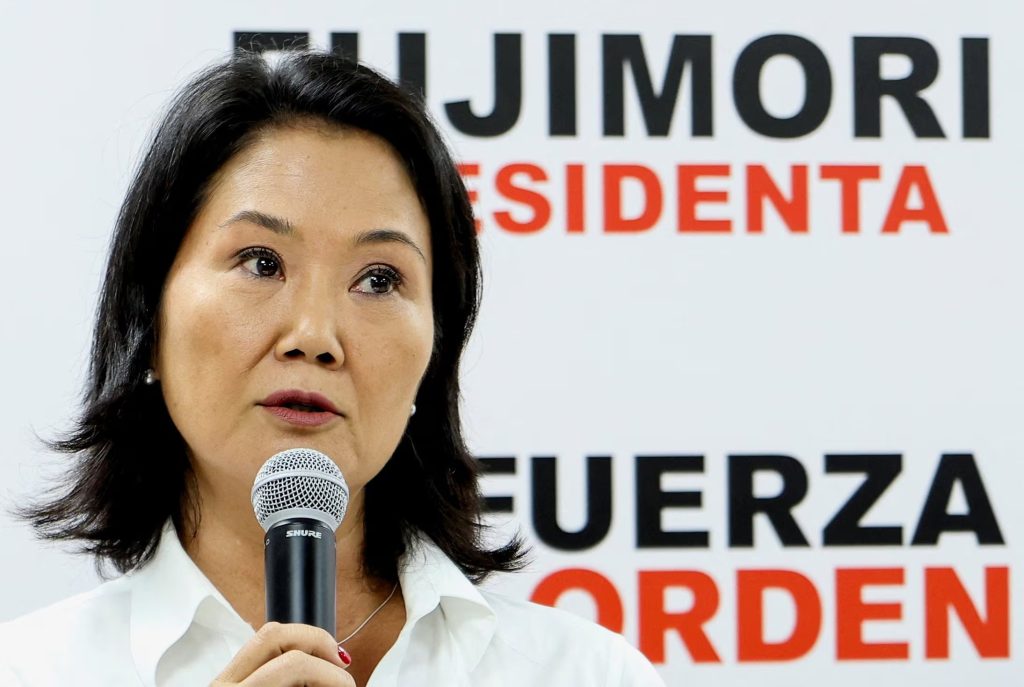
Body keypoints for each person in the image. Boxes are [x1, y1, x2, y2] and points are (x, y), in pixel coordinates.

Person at [0, 50, 664, 686]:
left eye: (379, 279)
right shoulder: (29, 672)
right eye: (261, 262)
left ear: (435, 349)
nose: (316, 337)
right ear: (149, 318)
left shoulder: (586, 674)